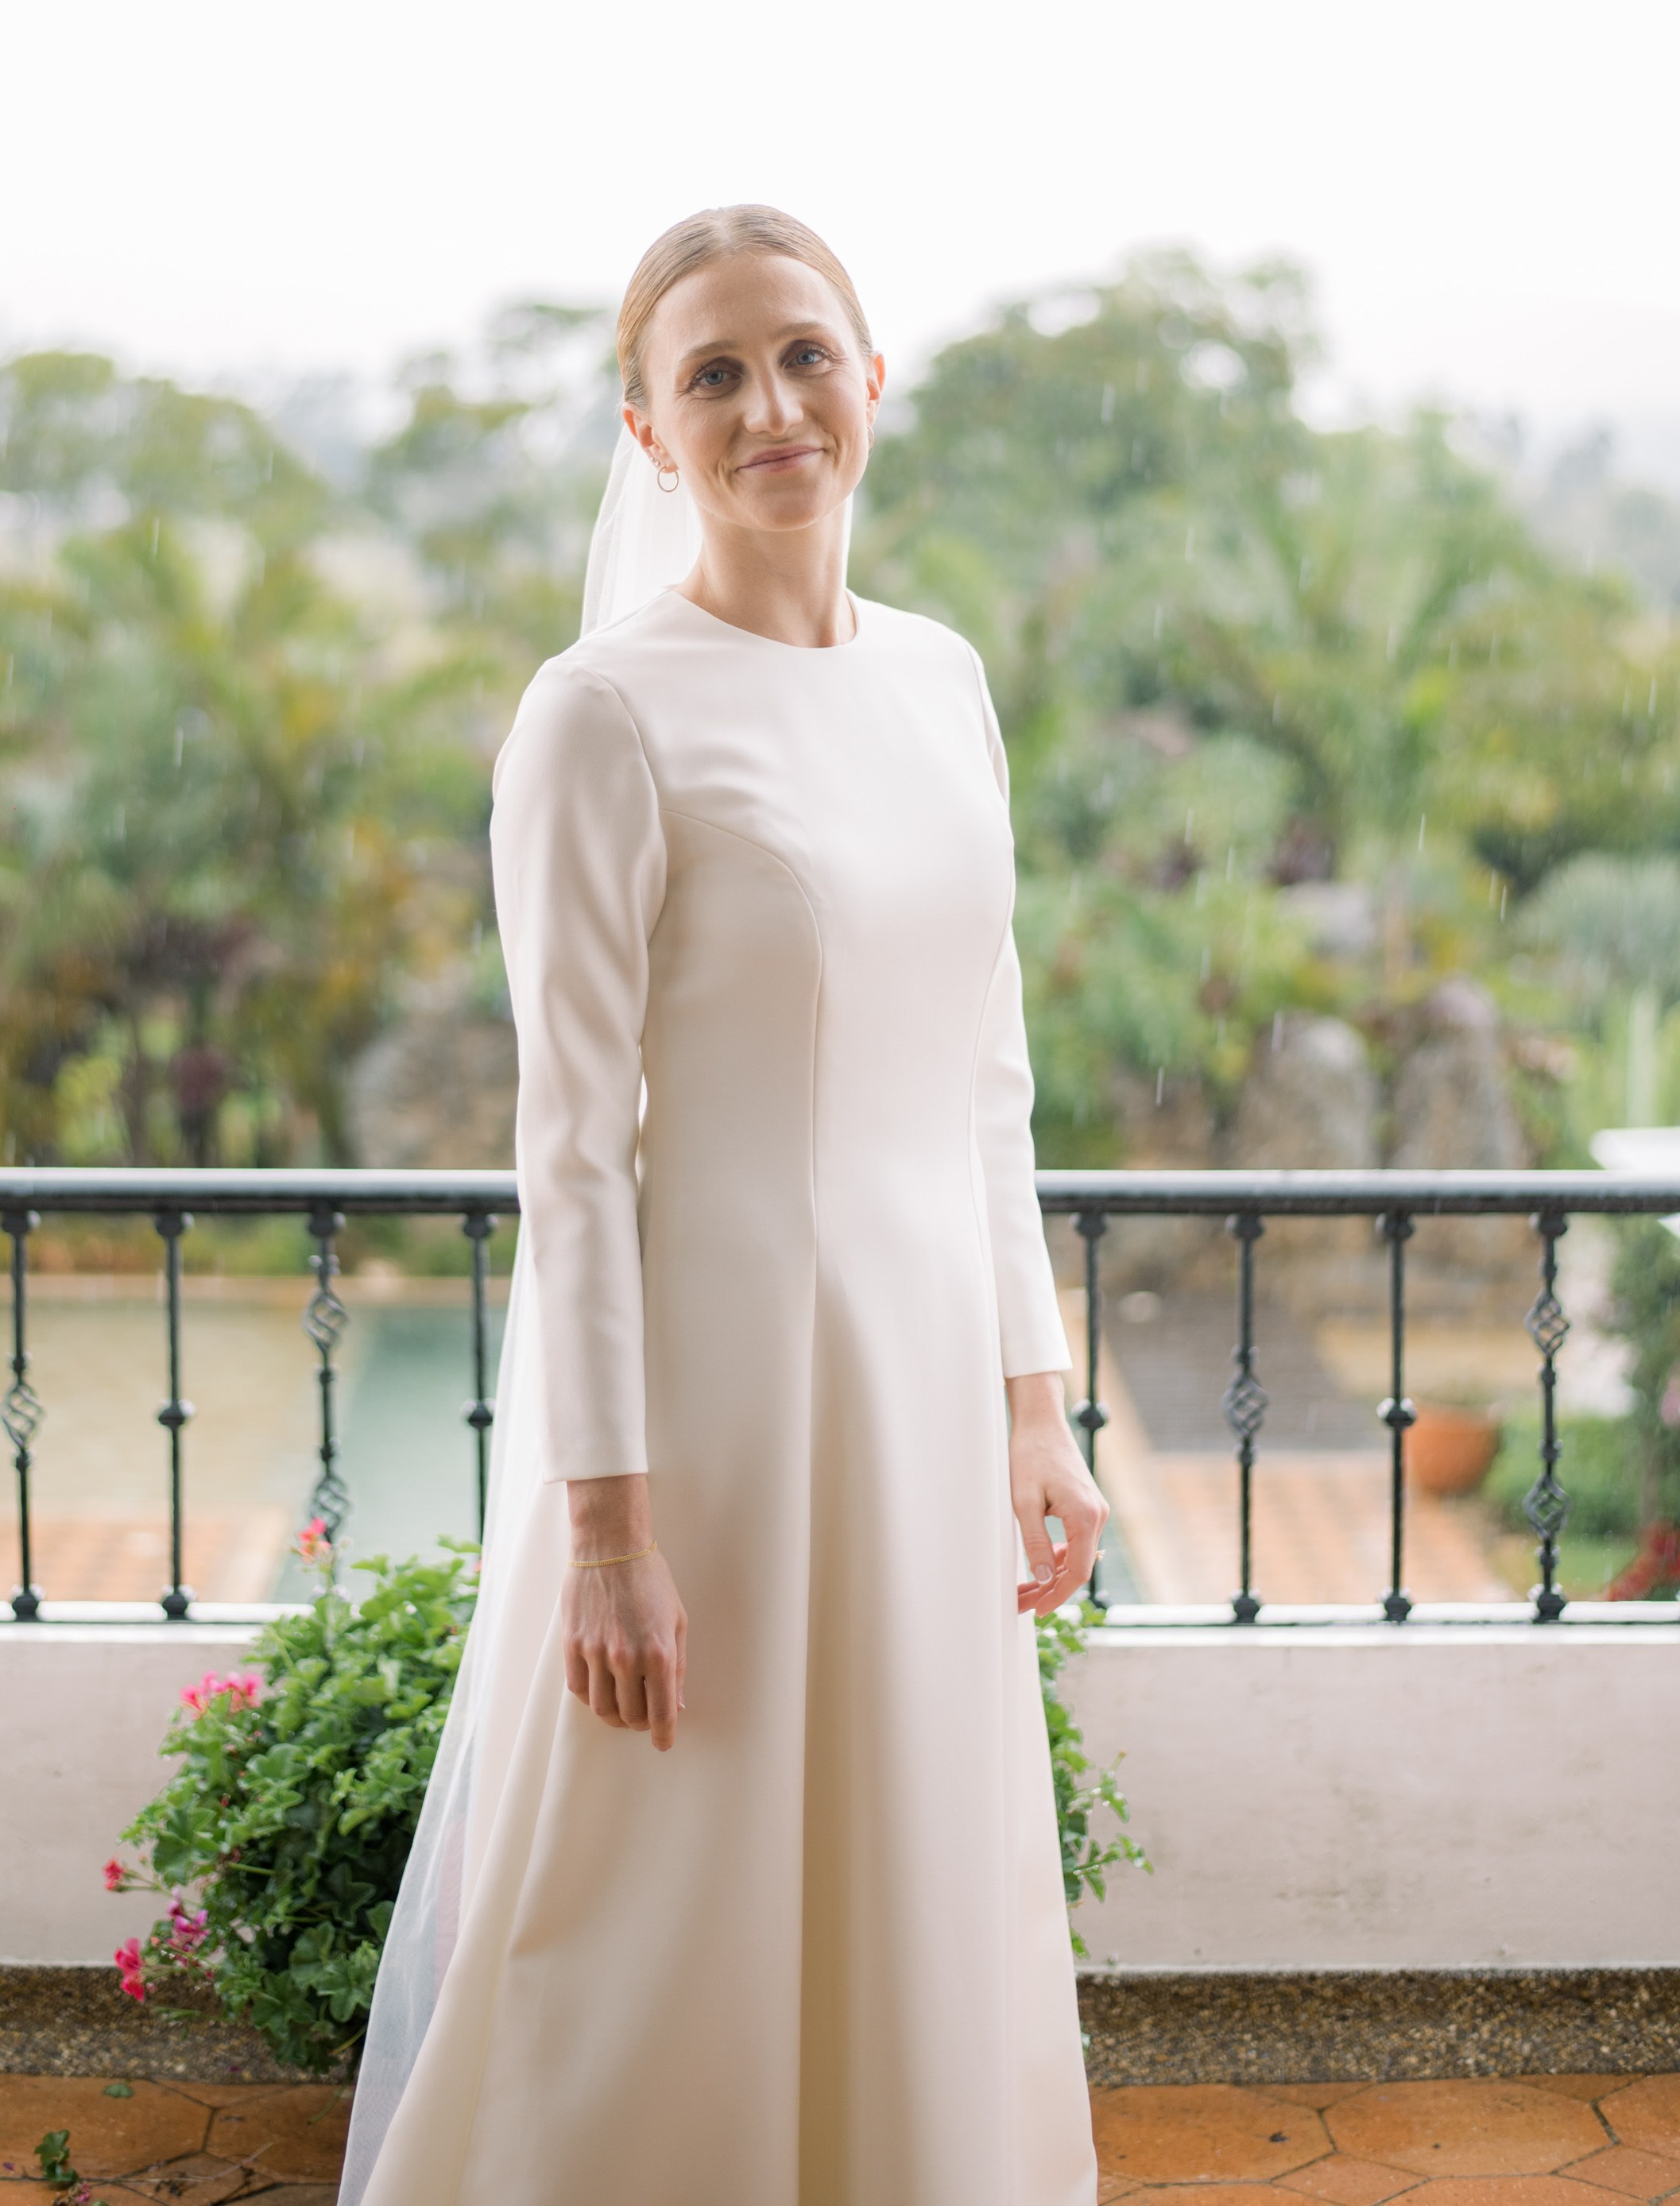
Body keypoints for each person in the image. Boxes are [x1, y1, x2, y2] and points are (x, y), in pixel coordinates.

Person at [341, 205, 1108, 2206]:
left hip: (920, 1387)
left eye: (800, 355)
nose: (770, 404)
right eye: (711, 373)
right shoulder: (599, 716)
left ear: (873, 380)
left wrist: (1033, 1399)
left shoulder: (942, 683)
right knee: (663, 1893)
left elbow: (985, 1080)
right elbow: (572, 1151)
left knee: (907, 1857)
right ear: (644, 425)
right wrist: (605, 1525)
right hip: (716, 1409)